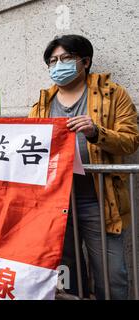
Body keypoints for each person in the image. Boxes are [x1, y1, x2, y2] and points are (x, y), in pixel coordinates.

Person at [29, 34, 139, 299]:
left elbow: (132, 140)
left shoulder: (112, 94)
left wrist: (96, 132)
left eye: (66, 58)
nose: (58, 65)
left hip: (100, 201)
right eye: (53, 61)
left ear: (85, 61)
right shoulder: (42, 102)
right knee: (65, 270)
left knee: (112, 275)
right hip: (55, 202)